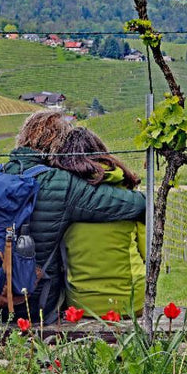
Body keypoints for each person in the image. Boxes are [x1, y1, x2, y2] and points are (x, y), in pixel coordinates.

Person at [0, 111, 146, 324]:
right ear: (58, 146)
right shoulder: (60, 182)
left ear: (22, 138)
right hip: (31, 308)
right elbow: (134, 204)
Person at [51, 127, 146, 318]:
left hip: (80, 303)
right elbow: (147, 251)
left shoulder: (61, 197)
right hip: (131, 299)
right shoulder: (128, 195)